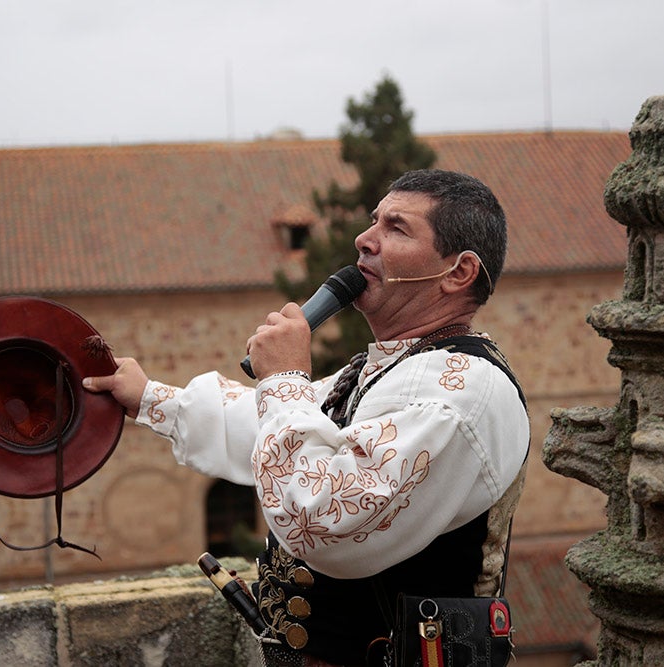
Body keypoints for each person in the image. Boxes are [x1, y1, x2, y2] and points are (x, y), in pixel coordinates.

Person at [83, 169, 529, 667]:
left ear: (458, 272)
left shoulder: (461, 392)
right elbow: (272, 428)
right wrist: (149, 397)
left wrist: (285, 377)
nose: (365, 239)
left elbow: (319, 514)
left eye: (396, 228)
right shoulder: (391, 365)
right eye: (373, 221)